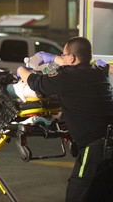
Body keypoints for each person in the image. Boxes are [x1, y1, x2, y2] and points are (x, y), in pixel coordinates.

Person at [17, 36, 113, 202]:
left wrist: (21, 70)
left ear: (72, 58)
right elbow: (71, 65)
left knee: (77, 194)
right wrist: (55, 59)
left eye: (64, 54)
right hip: (108, 143)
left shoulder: (66, 77)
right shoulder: (97, 72)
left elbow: (36, 82)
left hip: (95, 147)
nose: (61, 58)